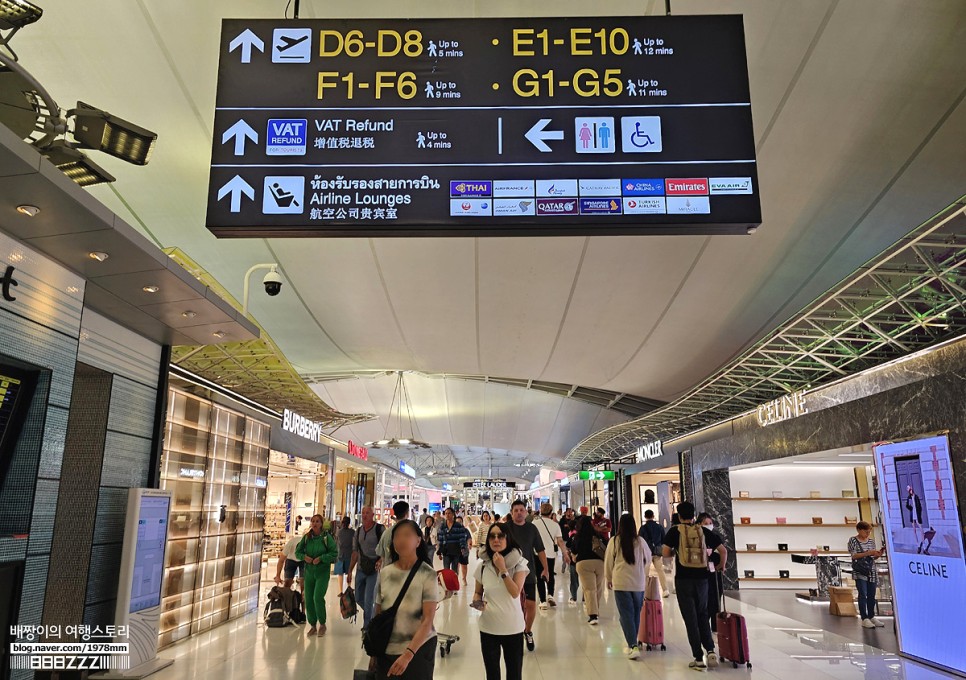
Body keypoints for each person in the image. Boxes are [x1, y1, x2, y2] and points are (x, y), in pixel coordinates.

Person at [663, 501, 726, 671]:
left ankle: (698, 657)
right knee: (703, 614)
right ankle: (711, 651)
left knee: (690, 619)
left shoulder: (675, 531)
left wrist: (677, 552)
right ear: (694, 515)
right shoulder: (703, 531)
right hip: (703, 579)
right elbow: (723, 551)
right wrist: (721, 566)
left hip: (683, 580)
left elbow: (665, 553)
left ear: (679, 515)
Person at [372, 520, 438, 680]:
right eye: (397, 536)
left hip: (418, 649)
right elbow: (378, 615)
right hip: (387, 651)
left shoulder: (427, 573)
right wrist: (374, 652)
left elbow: (428, 619)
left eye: (407, 535)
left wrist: (408, 655)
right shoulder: (385, 573)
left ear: (418, 540)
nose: (401, 540)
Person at [473, 522, 529, 680]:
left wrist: (503, 569)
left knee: (514, 674)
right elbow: (478, 592)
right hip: (488, 628)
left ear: (508, 538)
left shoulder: (520, 565)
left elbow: (515, 592)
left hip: (513, 628)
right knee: (492, 674)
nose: (496, 539)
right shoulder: (483, 566)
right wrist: (478, 603)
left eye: (500, 536)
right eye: (492, 536)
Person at [504, 499, 549, 651]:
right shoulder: (506, 528)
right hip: (509, 573)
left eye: (521, 510)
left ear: (526, 512)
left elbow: (540, 549)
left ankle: (527, 631)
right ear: (511, 513)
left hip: (528, 572)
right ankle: (513, 632)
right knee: (512, 605)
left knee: (530, 605)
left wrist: (546, 568)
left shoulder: (532, 529)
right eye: (515, 510)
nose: (518, 513)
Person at [605, 514, 651, 659]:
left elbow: (608, 561)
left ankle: (633, 645)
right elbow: (648, 558)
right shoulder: (640, 541)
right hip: (638, 583)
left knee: (626, 614)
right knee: (636, 613)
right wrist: (642, 570)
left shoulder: (615, 541)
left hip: (620, 582)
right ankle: (633, 641)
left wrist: (609, 578)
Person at [294, 514, 338, 636]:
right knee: (308, 598)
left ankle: (322, 624)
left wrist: (322, 558)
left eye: (317, 521)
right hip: (309, 572)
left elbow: (334, 553)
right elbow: (297, 552)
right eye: (313, 521)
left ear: (321, 524)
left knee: (317, 597)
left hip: (322, 572)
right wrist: (304, 557)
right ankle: (313, 625)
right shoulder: (307, 538)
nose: (314, 523)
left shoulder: (326, 538)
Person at [350, 506, 386, 633]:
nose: (364, 515)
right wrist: (350, 570)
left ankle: (367, 626)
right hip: (360, 568)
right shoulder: (358, 531)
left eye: (367, 513)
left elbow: (386, 547)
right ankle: (373, 616)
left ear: (373, 515)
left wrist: (381, 560)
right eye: (363, 513)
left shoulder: (379, 529)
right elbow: (355, 551)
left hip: (373, 569)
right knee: (358, 597)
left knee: (369, 598)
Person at [849, 521, 885, 628]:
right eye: (866, 532)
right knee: (862, 594)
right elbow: (854, 556)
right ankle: (864, 618)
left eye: (869, 532)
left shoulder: (871, 541)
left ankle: (871, 615)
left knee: (871, 594)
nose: (868, 534)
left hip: (871, 570)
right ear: (859, 530)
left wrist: (877, 555)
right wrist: (868, 553)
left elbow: (872, 558)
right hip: (860, 571)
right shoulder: (853, 540)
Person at [533, 502, 568, 608]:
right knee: (550, 574)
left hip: (537, 553)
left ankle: (543, 601)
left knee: (540, 576)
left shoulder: (535, 523)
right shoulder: (555, 525)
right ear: (551, 513)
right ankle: (550, 595)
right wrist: (565, 553)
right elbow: (560, 541)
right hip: (550, 554)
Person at [573, 514, 605, 625]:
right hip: (600, 563)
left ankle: (593, 615)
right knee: (598, 587)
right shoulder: (598, 535)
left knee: (589, 589)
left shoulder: (578, 537)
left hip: (584, 563)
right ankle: (596, 610)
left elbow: (574, 550)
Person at [697, 513, 722, 632]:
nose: (709, 526)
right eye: (705, 524)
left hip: (715, 572)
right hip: (703, 572)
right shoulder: (697, 538)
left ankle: (716, 625)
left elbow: (723, 552)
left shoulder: (715, 537)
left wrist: (721, 565)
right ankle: (704, 624)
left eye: (710, 523)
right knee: (705, 599)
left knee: (716, 596)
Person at [639, 509, 669, 597]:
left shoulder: (643, 528)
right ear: (653, 516)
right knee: (660, 571)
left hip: (646, 552)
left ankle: (644, 593)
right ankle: (665, 590)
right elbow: (664, 539)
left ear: (645, 517)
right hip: (657, 552)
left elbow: (640, 540)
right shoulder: (659, 527)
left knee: (645, 573)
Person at [436, 508, 472, 573]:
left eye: (449, 513)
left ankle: (453, 582)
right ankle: (447, 583)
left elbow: (462, 538)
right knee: (446, 570)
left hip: (456, 551)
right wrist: (439, 551)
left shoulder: (458, 526)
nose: (447, 515)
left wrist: (463, 548)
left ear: (453, 514)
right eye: (446, 513)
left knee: (454, 571)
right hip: (446, 551)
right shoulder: (443, 526)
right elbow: (440, 539)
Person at [377, 501, 410, 567]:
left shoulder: (386, 533)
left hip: (389, 572)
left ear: (394, 513)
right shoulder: (412, 533)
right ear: (407, 514)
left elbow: (381, 554)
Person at [559, 508, 580, 604]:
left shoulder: (574, 535)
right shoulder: (563, 520)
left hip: (574, 559)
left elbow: (568, 548)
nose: (569, 513)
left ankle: (574, 597)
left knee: (574, 578)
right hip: (565, 540)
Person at [334, 515, 355, 594]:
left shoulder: (339, 532)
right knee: (348, 572)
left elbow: (336, 543)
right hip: (349, 554)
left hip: (340, 555)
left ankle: (340, 591)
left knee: (340, 573)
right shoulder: (352, 532)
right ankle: (349, 587)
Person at [457, 515, 473, 585]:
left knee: (464, 565)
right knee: (456, 565)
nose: (459, 523)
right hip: (455, 550)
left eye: (460, 522)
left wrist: (469, 544)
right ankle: (456, 579)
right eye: (457, 522)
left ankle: (464, 578)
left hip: (464, 551)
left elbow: (469, 538)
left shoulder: (465, 530)